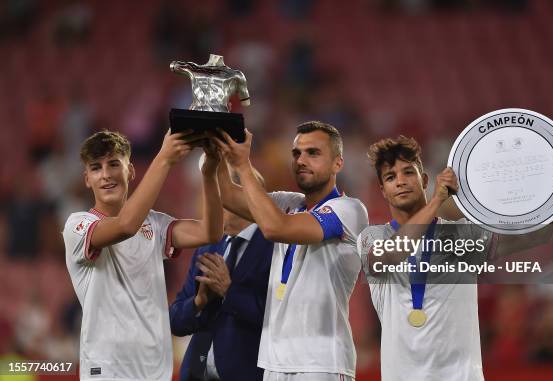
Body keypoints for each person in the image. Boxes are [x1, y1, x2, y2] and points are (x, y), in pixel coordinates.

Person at [357, 135, 553, 381]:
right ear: (382, 190)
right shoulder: (372, 237)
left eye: (408, 173)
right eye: (391, 177)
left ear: (424, 180)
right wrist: (437, 200)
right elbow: (391, 255)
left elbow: (540, 233)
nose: (401, 182)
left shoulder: (464, 234)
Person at [211, 121, 369, 381]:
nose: (301, 160)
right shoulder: (289, 203)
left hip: (321, 363)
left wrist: (242, 165)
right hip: (274, 362)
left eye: (313, 153)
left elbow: (275, 228)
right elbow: (227, 195)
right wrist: (214, 154)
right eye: (296, 153)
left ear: (338, 163)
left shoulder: (349, 210)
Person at [63, 130, 224, 381]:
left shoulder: (155, 224)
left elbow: (211, 232)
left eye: (114, 164)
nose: (105, 175)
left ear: (130, 171)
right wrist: (165, 158)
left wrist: (209, 172)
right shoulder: (78, 226)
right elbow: (126, 226)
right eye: (96, 168)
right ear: (87, 179)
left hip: (155, 370)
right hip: (108, 370)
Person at [170, 166, 274, 381]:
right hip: (195, 375)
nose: (206, 202)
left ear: (242, 197)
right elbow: (175, 321)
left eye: (214, 193)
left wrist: (229, 291)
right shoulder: (207, 247)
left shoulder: (276, 248)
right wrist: (198, 303)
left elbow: (276, 317)